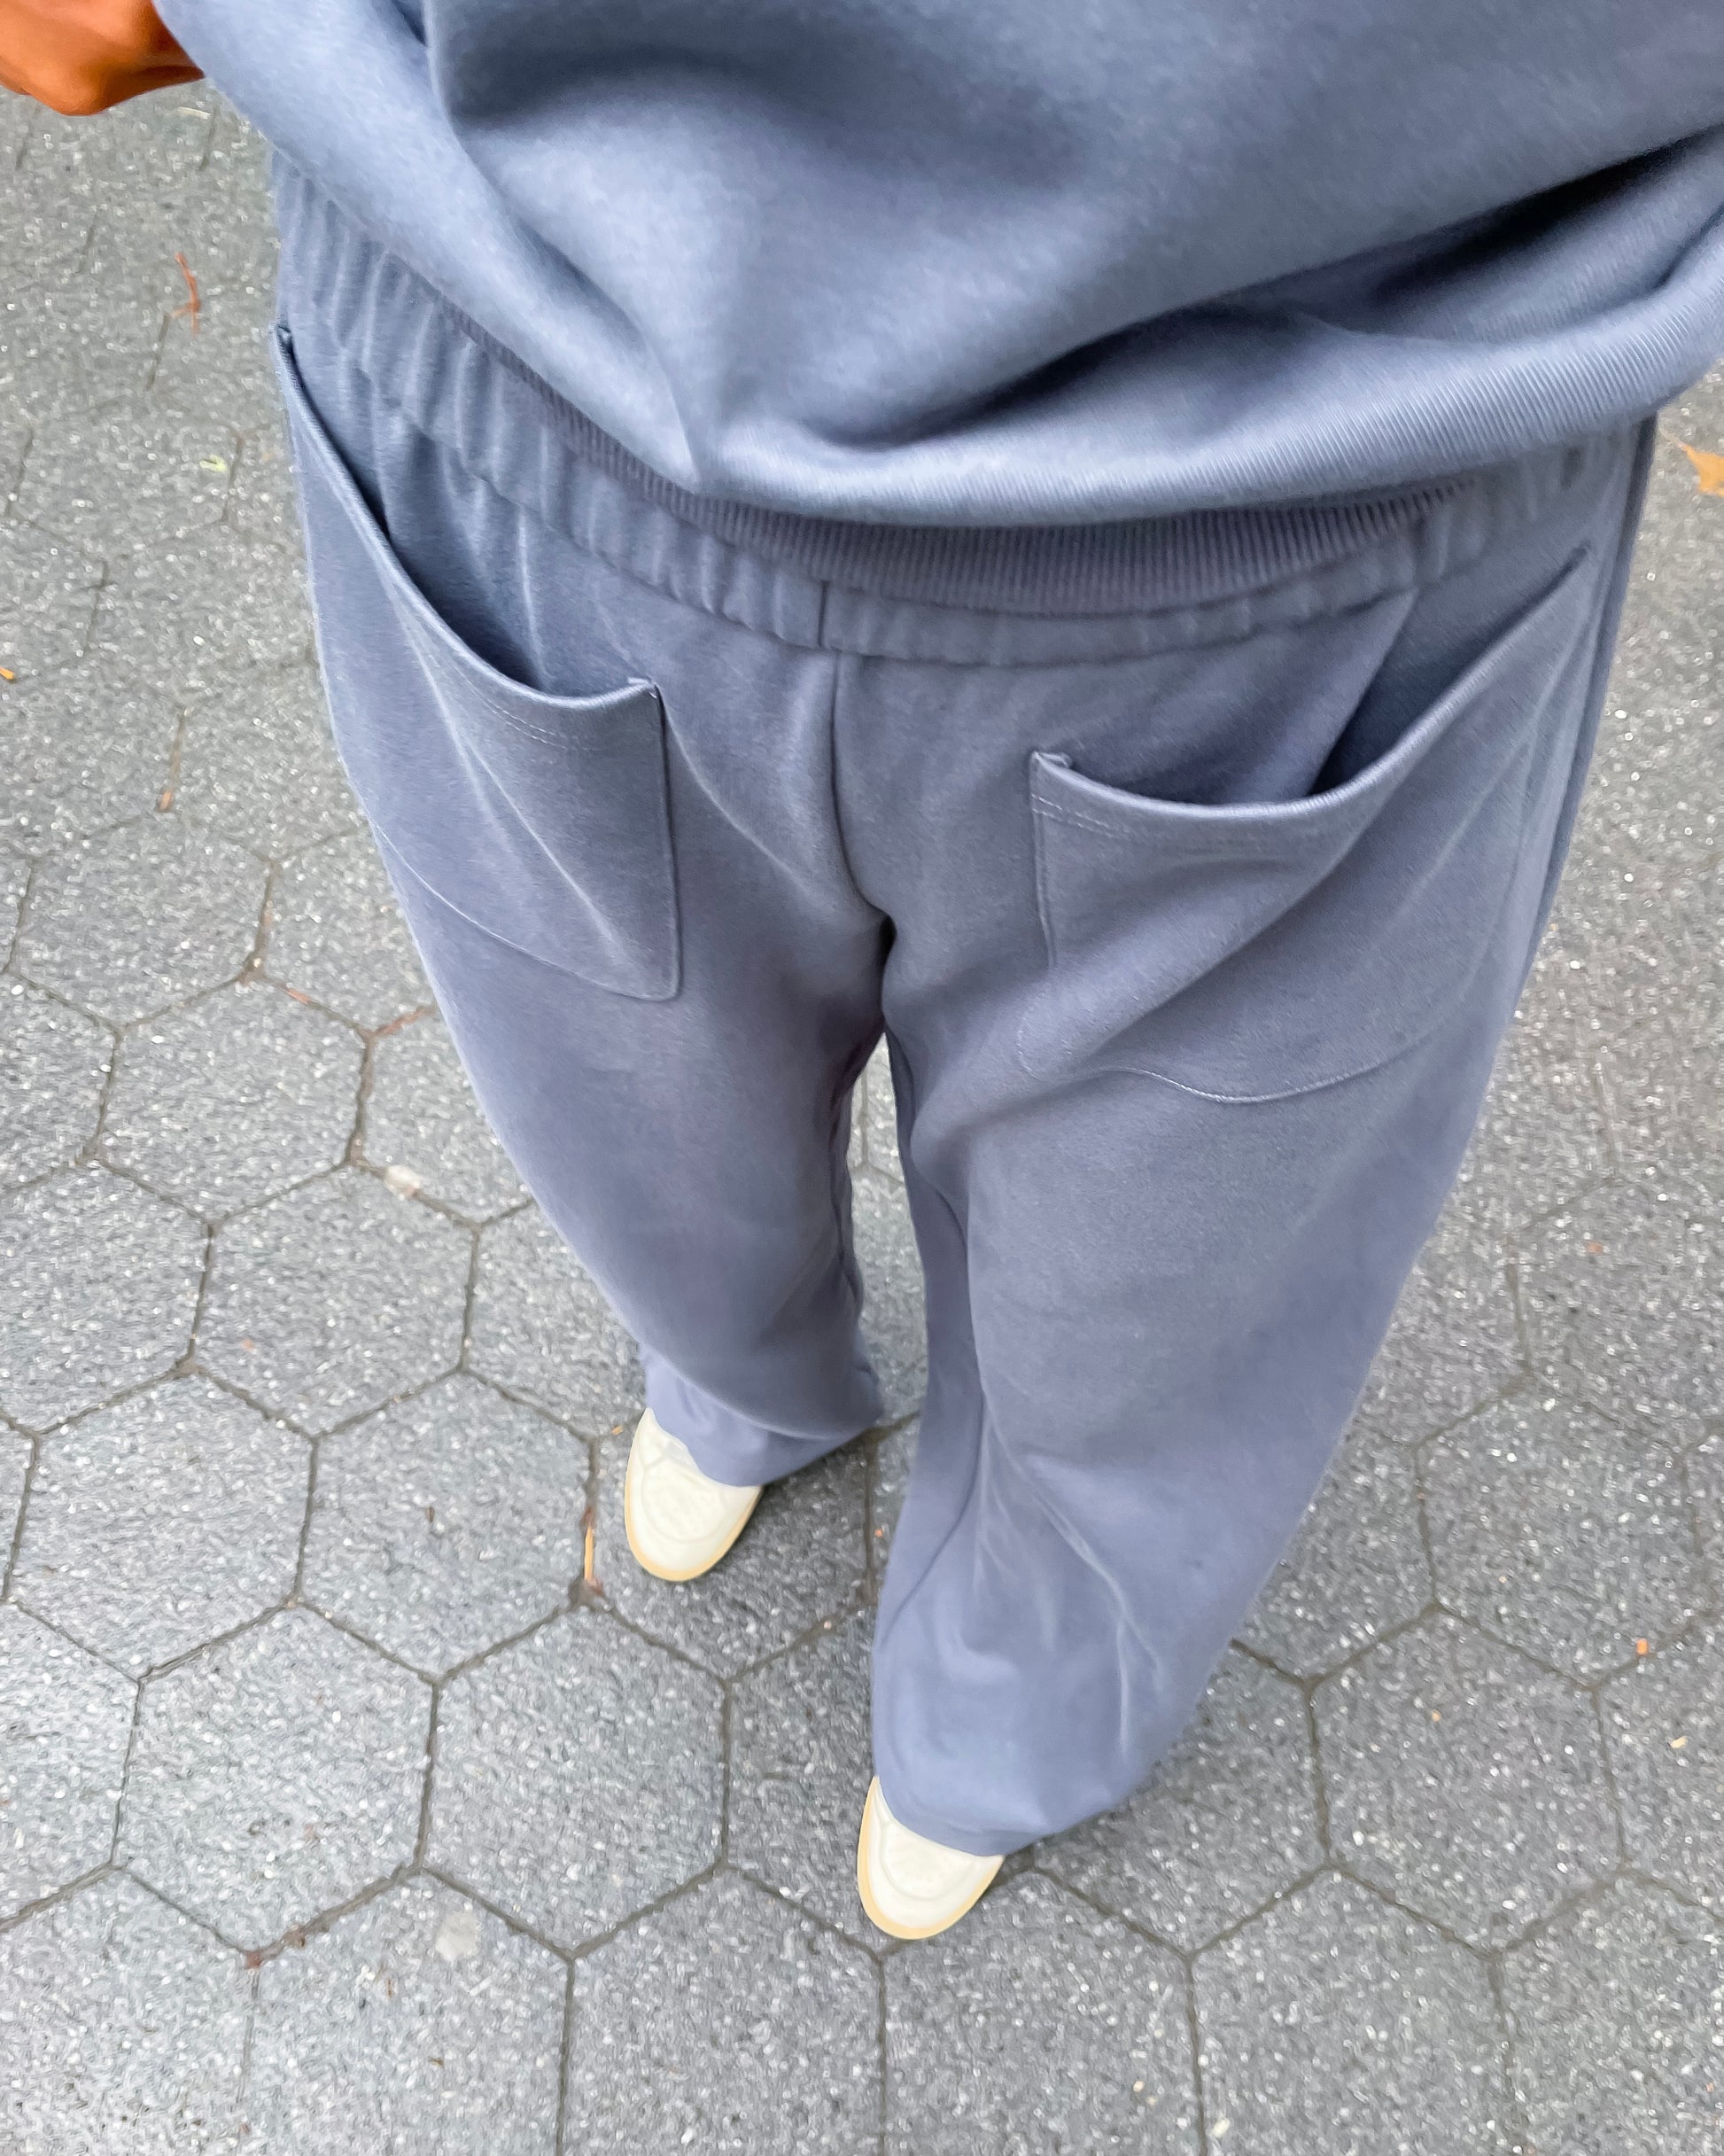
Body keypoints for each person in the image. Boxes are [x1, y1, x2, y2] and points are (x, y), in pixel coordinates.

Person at [7, 0, 1722, 1942]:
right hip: (511, 319)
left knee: (1166, 1314)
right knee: (625, 1114)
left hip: (1350, 459)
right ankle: (740, 1379)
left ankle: (1005, 1709)